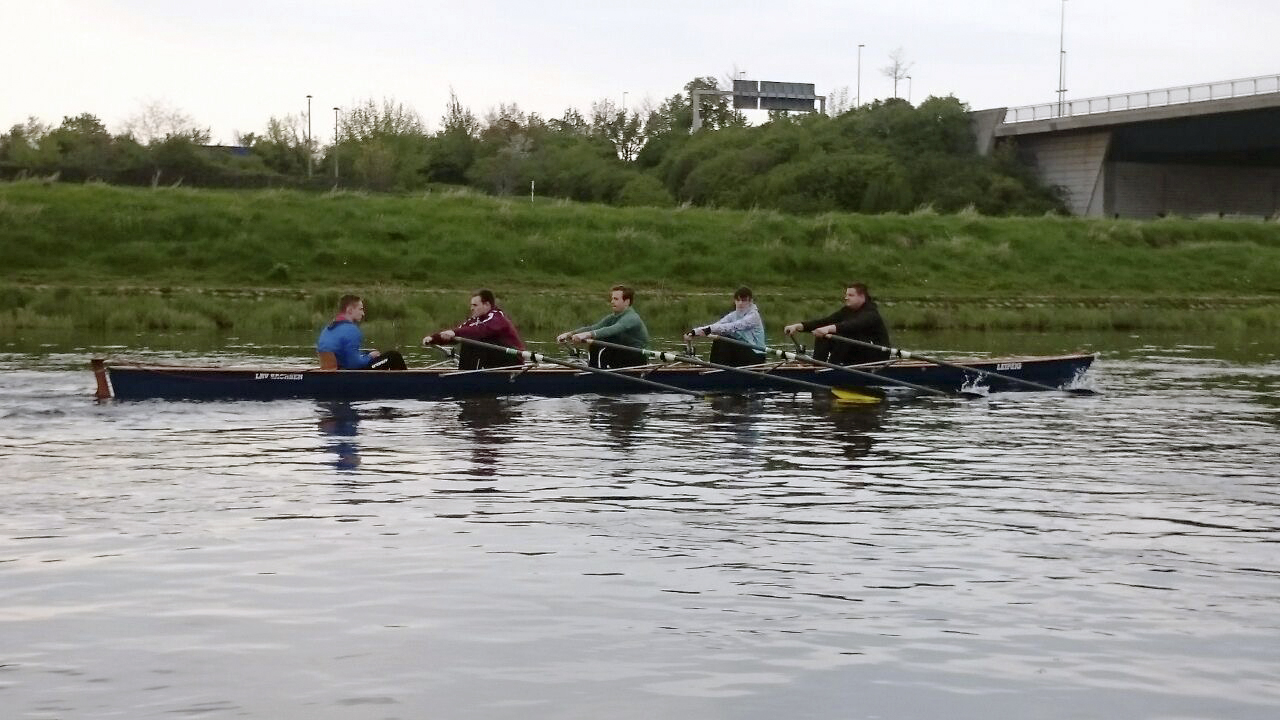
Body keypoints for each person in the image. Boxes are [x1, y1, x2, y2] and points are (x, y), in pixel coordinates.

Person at [783, 283, 891, 365]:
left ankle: (831, 368)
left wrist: (829, 329)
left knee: (845, 333)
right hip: (857, 352)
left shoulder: (871, 313)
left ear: (862, 297)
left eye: (851, 295)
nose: (846, 297)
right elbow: (825, 322)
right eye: (846, 294)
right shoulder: (847, 311)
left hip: (876, 356)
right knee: (823, 335)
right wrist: (799, 326)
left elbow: (853, 325)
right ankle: (817, 366)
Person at [423, 289, 526, 370]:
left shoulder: (497, 317)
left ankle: (467, 378)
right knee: (468, 337)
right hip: (495, 358)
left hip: (513, 359)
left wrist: (454, 333)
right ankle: (464, 375)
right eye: (471, 305)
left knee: (474, 339)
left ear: (487, 305)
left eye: (475, 305)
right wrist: (434, 338)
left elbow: (481, 331)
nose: (472, 308)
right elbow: (460, 331)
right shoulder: (475, 320)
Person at [556, 285, 649, 369]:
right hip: (621, 354)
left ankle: (597, 376)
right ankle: (593, 370)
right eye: (612, 299)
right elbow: (594, 327)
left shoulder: (632, 318)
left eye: (616, 299)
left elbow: (613, 329)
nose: (612, 302)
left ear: (627, 302)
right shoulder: (613, 317)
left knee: (603, 347)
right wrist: (569, 334)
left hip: (636, 357)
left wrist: (587, 335)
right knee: (595, 344)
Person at [316, 294, 407, 370]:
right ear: (350, 310)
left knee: (368, 353)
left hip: (337, 371)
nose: (363, 313)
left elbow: (345, 357)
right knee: (393, 356)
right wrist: (370, 357)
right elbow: (354, 365)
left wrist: (367, 355)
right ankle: (407, 385)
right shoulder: (351, 330)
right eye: (360, 309)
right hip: (350, 375)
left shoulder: (328, 328)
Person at [684, 286, 767, 367]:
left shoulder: (753, 316)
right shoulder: (733, 315)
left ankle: (718, 372)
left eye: (744, 300)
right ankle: (714, 368)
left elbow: (734, 326)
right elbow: (717, 325)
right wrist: (694, 332)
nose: (740, 303)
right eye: (738, 300)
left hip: (757, 356)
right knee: (719, 338)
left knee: (724, 339)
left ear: (750, 301)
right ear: (735, 301)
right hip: (742, 354)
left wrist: (710, 329)